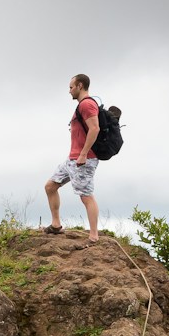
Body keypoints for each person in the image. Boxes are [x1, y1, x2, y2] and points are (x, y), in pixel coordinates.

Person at [44, 74, 101, 240]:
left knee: (86, 196)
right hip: (72, 159)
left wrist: (83, 154)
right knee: (50, 186)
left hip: (85, 159)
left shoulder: (87, 104)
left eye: (71, 87)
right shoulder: (82, 106)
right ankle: (56, 225)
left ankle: (93, 235)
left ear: (80, 86)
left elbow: (95, 128)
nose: (69, 91)